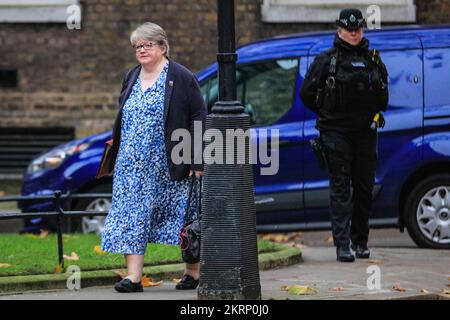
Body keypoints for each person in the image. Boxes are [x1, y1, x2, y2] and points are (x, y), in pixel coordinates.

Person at [101, 22, 207, 292]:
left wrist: (197, 159)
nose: (142, 49)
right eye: (138, 46)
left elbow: (198, 116)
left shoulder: (181, 76)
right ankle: (133, 278)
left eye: (148, 44)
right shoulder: (131, 76)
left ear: (163, 47)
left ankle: (193, 273)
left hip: (169, 163)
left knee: (184, 217)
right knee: (130, 217)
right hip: (131, 165)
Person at [300, 9, 389, 262]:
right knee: (341, 188)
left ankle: (360, 241)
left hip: (365, 132)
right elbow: (306, 93)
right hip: (335, 132)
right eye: (349, 30)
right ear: (339, 30)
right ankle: (342, 245)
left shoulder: (373, 59)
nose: (353, 33)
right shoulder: (326, 60)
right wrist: (328, 114)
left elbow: (383, 97)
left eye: (358, 29)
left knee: (364, 188)